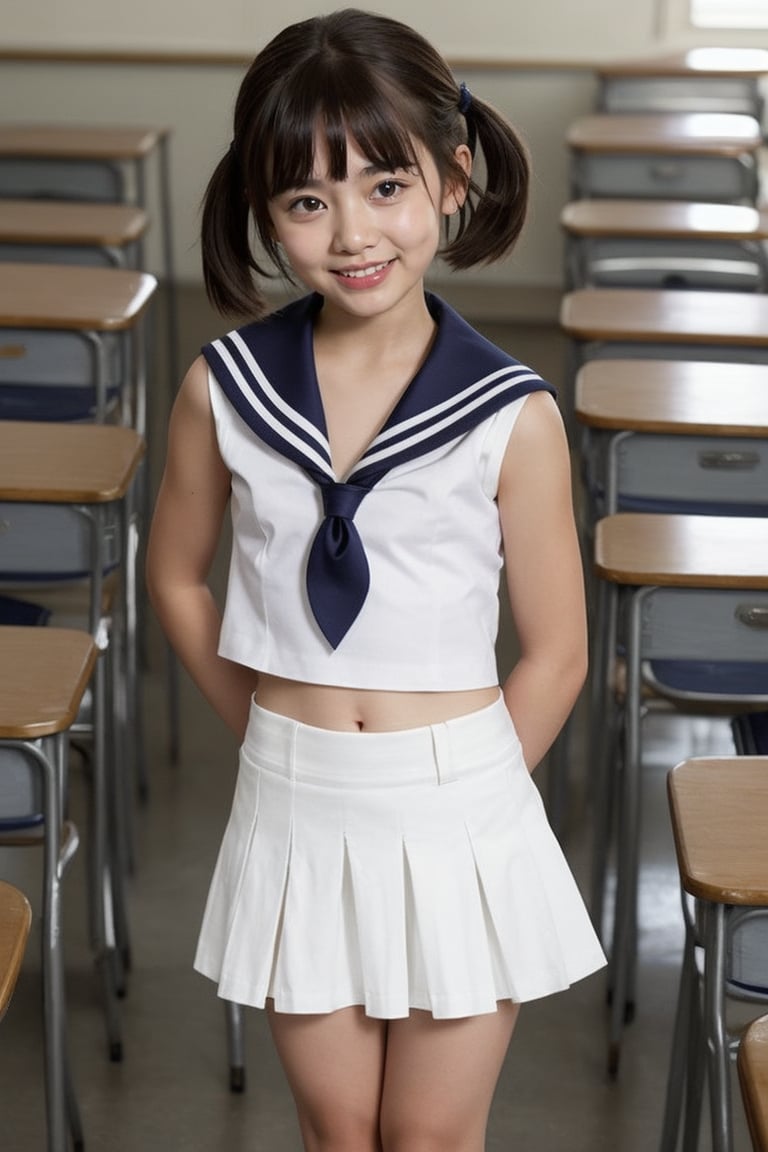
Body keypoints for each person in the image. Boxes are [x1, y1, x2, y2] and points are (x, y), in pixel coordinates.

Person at [146, 9, 605, 1150]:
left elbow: (557, 651)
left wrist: (472, 786)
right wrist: (262, 729)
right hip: (295, 798)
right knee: (338, 1130)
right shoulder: (225, 388)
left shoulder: (512, 413)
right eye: (307, 200)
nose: (352, 232)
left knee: (432, 1139)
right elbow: (177, 576)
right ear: (264, 214)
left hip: (461, 801)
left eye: (386, 186)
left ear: (454, 183)